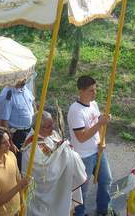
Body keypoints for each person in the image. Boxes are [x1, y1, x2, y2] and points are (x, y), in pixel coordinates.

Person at [21, 111, 87, 216]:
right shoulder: (31, 148)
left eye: (52, 124)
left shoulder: (52, 134)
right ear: (38, 128)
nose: (52, 128)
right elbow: (46, 172)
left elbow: (60, 149)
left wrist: (67, 150)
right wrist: (67, 153)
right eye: (48, 126)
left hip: (59, 186)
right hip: (44, 194)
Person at [67, 75, 113, 216]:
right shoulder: (75, 111)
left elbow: (97, 124)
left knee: (106, 179)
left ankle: (104, 210)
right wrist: (100, 123)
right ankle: (79, 213)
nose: (95, 93)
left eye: (95, 89)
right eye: (91, 91)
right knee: (83, 190)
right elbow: (81, 137)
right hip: (84, 156)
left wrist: (103, 123)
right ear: (81, 91)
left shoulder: (94, 104)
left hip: (98, 150)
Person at [0, 79, 35, 169]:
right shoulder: (7, 95)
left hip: (30, 131)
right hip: (18, 135)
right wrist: (10, 143)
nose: (25, 78)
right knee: (20, 164)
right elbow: (3, 123)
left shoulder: (24, 88)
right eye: (22, 76)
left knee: (31, 161)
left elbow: (32, 104)